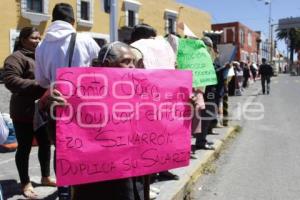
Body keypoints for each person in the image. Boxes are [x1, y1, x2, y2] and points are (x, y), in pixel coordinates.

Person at [34, 3, 100, 199]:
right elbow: (101, 68)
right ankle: (84, 187)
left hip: (56, 103)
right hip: (85, 103)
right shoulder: (84, 39)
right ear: (73, 20)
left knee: (61, 147)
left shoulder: (41, 45)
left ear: (53, 20)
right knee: (86, 145)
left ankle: (64, 190)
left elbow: (42, 80)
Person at [2, 27, 55, 199]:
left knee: (45, 145)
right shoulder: (15, 58)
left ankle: (45, 177)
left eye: (39, 38)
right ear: (23, 39)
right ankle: (25, 182)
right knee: (24, 148)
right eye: (33, 38)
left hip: (42, 111)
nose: (37, 41)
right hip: (23, 111)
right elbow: (10, 80)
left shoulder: (41, 57)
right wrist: (39, 84)